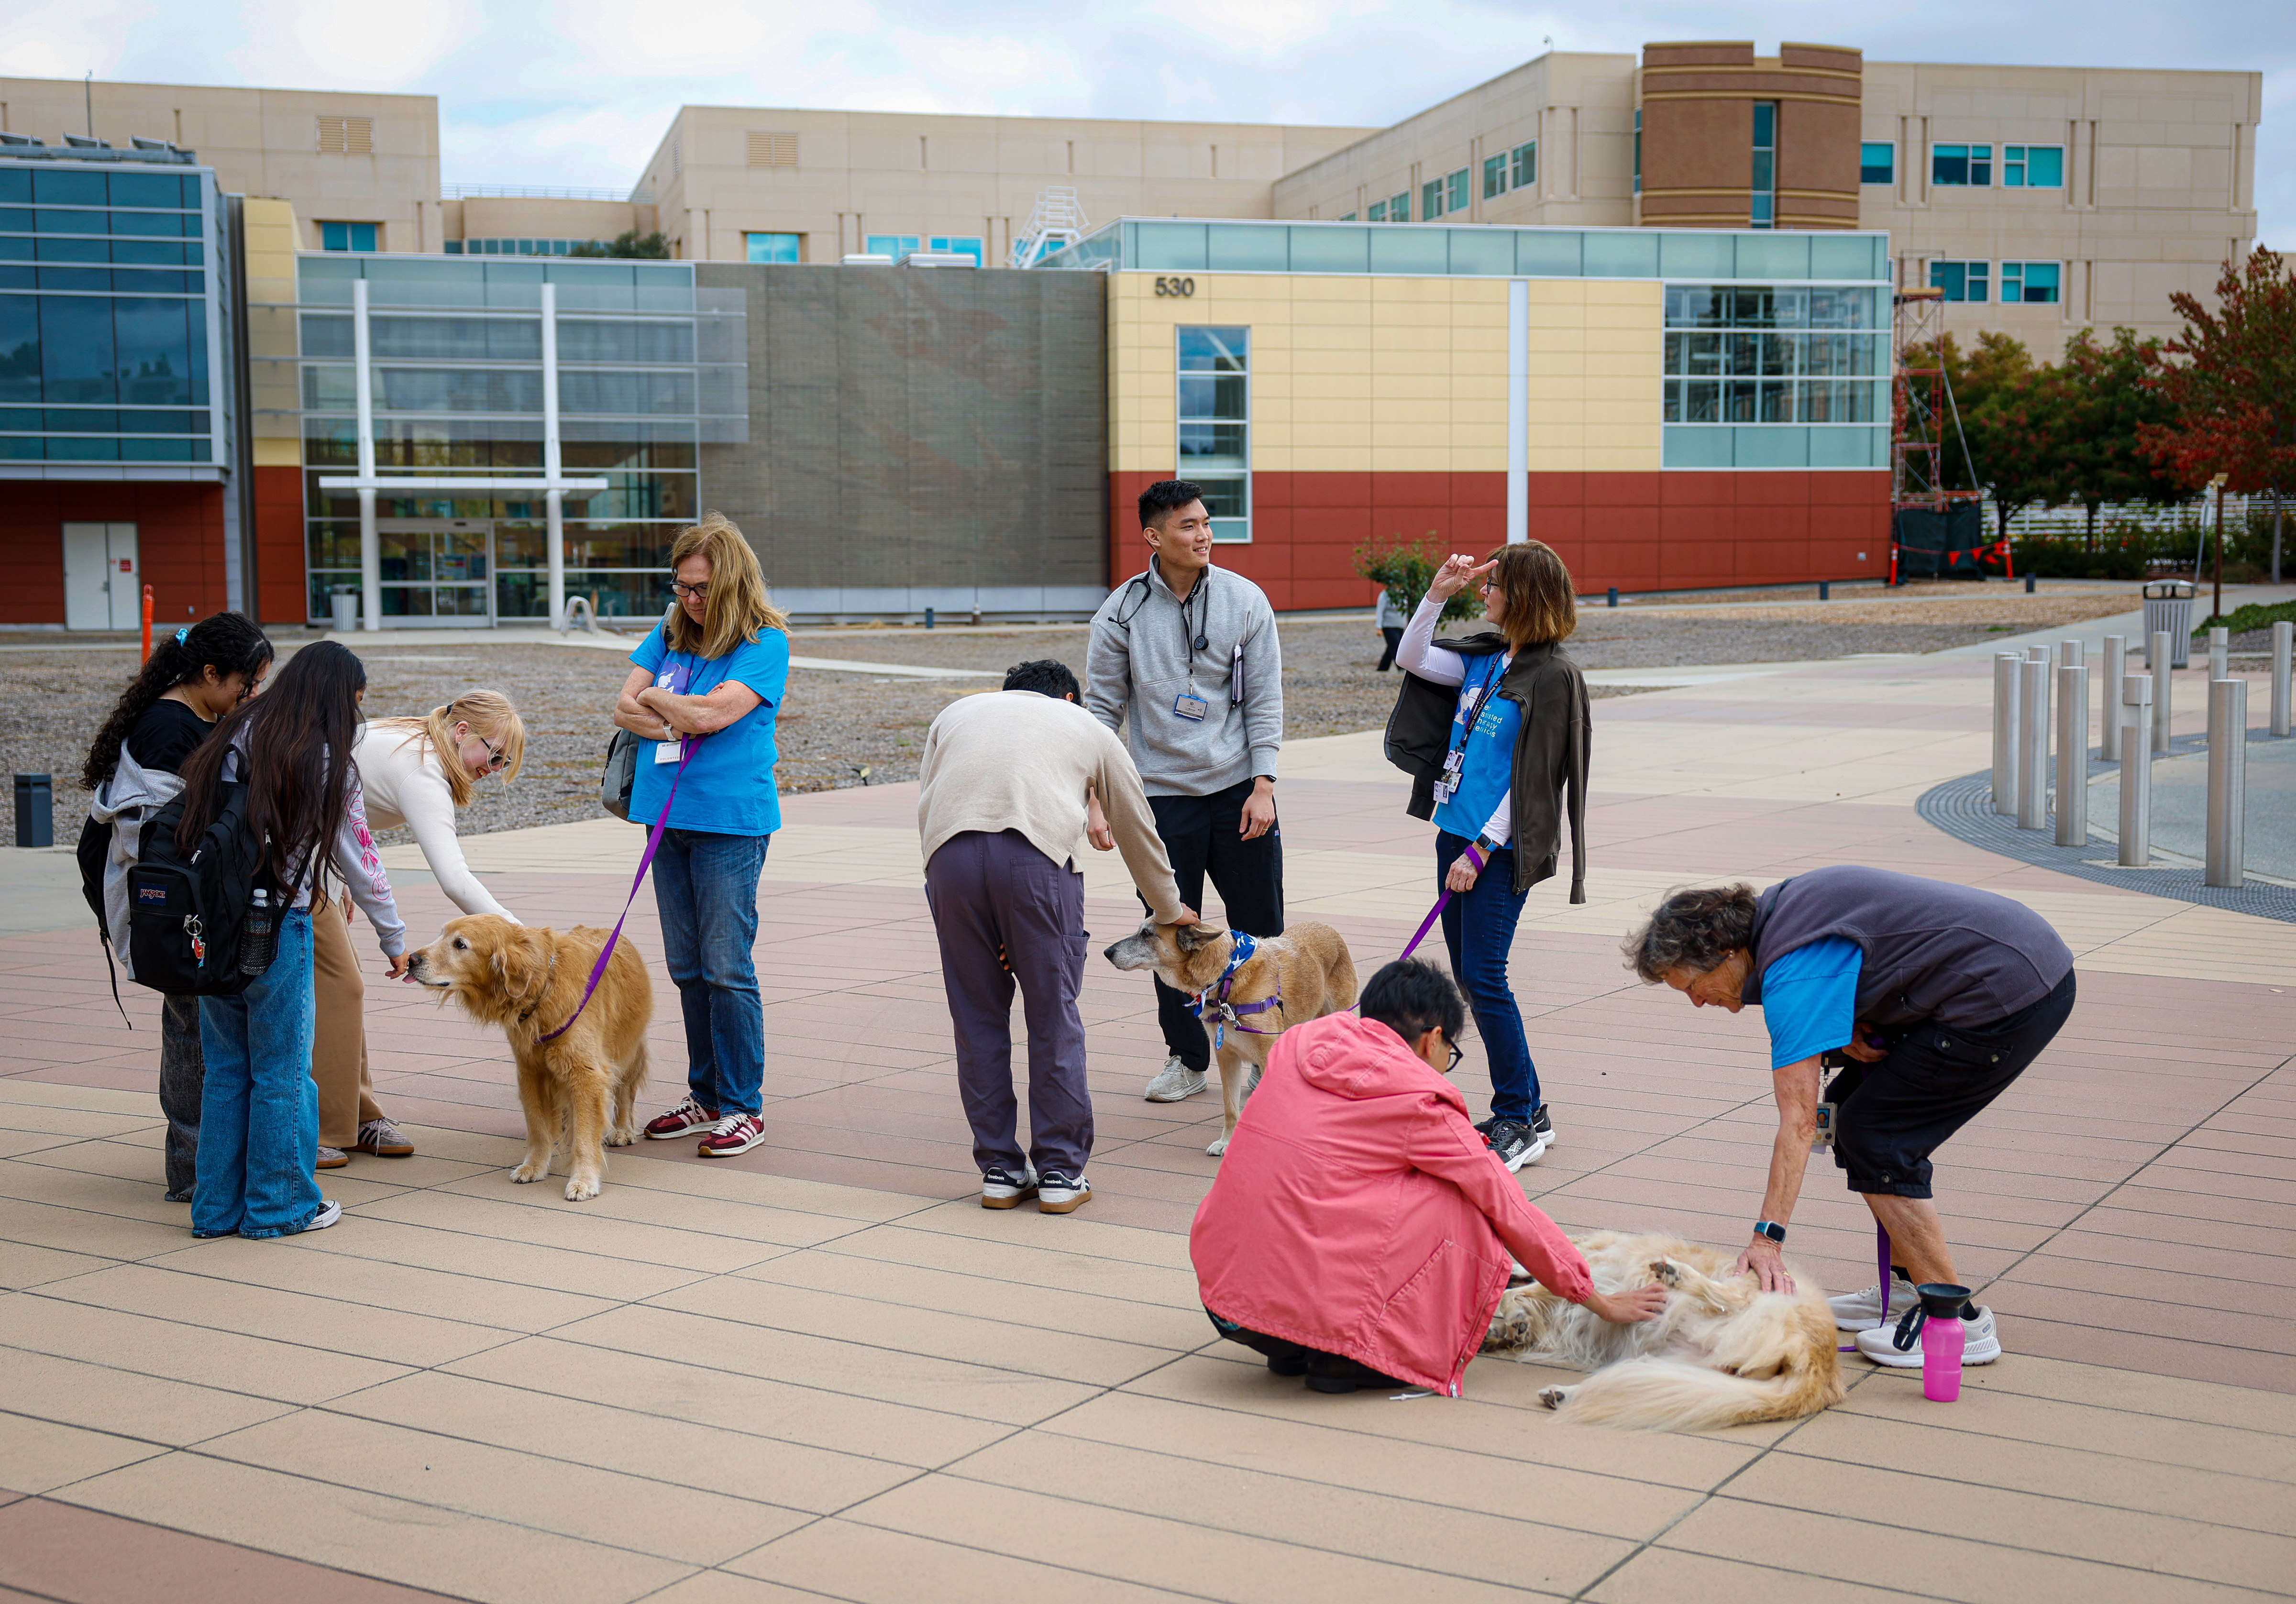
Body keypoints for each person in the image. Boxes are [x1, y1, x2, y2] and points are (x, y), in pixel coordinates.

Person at [1623, 867, 2078, 1369]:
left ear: (1725, 952)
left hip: (2010, 990)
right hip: (2010, 958)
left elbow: (1797, 1122)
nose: (1697, 1001)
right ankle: (1909, 1291)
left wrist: (1765, 1242)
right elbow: (1870, 951)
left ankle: (1955, 1319)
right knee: (1845, 1112)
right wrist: (1851, 1026)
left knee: (1876, 1137)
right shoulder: (1778, 919)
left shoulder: (1794, 969)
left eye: (1693, 985)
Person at [1192, 959, 1665, 1395]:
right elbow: (1509, 1208)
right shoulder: (1421, 1101)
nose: (1445, 1066)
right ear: (1432, 1038)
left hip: (1227, 1302)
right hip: (1306, 1308)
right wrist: (1596, 1300)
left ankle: (1294, 1344)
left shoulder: (1296, 1046)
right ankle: (1343, 1357)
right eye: (1450, 1053)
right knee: (1460, 1199)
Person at [918, 659, 1198, 1214]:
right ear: (1068, 697)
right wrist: (1170, 907)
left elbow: (930, 798)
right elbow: (1136, 824)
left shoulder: (957, 714)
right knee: (1052, 1017)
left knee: (977, 1019)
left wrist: (953, 891)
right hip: (1035, 862)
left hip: (948, 862)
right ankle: (1060, 1173)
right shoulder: (1087, 726)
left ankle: (999, 1169)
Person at [173, 640, 407, 1239]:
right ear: (335, 699)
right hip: (279, 923)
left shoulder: (232, 735)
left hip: (213, 924)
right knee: (282, 1072)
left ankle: (215, 1211)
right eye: (355, 702)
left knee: (226, 1071)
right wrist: (393, 938)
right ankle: (281, 1207)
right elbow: (363, 860)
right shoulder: (325, 760)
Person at [1384, 542, 1590, 1171]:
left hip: (1495, 851)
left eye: (1494, 583)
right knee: (1475, 978)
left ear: (1523, 595)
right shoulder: (1488, 659)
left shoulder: (1552, 677)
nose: (1485, 591)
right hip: (1457, 834)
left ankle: (1515, 1116)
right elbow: (1411, 656)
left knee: (1486, 978)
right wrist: (1437, 593)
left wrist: (1480, 847)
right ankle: (1530, 1109)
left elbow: (1537, 780)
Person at [1086, 479, 1284, 1107]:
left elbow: (1265, 699)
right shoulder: (1120, 612)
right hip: (1159, 800)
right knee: (1167, 932)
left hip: (1236, 792)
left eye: (1206, 523)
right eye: (1189, 526)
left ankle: (1264, 1057)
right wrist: (1095, 797)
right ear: (1153, 536)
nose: (1204, 535)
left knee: (1260, 931)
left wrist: (1264, 783)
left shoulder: (1246, 601)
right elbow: (1101, 711)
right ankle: (1188, 1057)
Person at [614, 512, 791, 1159]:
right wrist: (677, 714)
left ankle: (744, 1104)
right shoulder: (669, 631)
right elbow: (621, 705)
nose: (690, 598)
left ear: (735, 583)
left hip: (729, 824)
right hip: (667, 820)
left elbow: (715, 715)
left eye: (702, 588)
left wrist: (666, 708)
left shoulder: (764, 643)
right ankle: (706, 1095)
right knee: (687, 967)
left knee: (726, 967)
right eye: (683, 585)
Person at [80, 614, 275, 1201]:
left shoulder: (185, 717)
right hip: (170, 909)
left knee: (193, 1024)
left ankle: (203, 1164)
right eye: (248, 684)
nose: (252, 696)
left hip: (175, 905)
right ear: (210, 673)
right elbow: (169, 836)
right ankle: (194, 1173)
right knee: (192, 1030)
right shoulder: (170, 728)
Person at [312, 691, 530, 1166]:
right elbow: (454, 878)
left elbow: (338, 809)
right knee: (339, 987)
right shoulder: (424, 772)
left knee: (343, 988)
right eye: (494, 755)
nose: (494, 768)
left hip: (314, 849)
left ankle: (355, 1113)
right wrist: (520, 934)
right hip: (291, 854)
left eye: (504, 761)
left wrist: (336, 869)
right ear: (461, 733)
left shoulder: (415, 738)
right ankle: (325, 1126)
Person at [1373, 586, 1405, 671]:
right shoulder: (1385, 595)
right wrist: (1379, 627)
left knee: (1391, 647)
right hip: (1388, 626)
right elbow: (1380, 611)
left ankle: (1383, 668)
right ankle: (1402, 667)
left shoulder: (1403, 594)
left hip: (1400, 625)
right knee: (1396, 647)